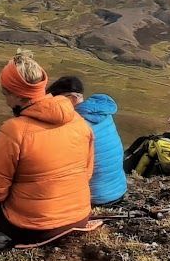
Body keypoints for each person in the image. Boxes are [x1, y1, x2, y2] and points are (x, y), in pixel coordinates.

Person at [0, 51, 95, 256]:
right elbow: (86, 173)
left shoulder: (15, 130)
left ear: (16, 95)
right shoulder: (78, 121)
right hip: (79, 217)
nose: (6, 101)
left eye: (5, 94)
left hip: (34, 230)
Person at [50, 75, 127, 207]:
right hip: (119, 190)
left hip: (96, 198)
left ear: (73, 98)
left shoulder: (77, 124)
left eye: (58, 101)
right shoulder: (103, 115)